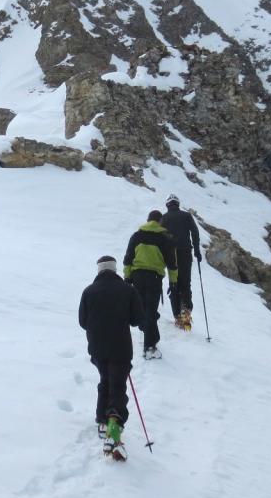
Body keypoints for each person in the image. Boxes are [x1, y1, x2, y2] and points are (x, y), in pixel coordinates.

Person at [79, 255, 145, 458]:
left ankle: (101, 419)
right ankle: (113, 427)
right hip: (121, 346)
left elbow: (82, 321)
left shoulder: (89, 291)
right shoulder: (128, 290)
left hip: (97, 347)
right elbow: (137, 319)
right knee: (118, 386)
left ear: (99, 270)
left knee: (105, 380)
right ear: (115, 270)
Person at [123, 210, 175, 357]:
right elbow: (172, 264)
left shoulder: (137, 236)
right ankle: (149, 347)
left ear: (147, 220)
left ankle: (148, 331)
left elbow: (128, 259)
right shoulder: (165, 238)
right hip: (154, 278)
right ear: (160, 221)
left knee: (143, 308)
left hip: (136, 276)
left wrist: (127, 278)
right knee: (151, 310)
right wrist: (173, 282)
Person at [160, 195, 202, 331]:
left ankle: (177, 316)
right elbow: (195, 232)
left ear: (167, 205)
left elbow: (160, 236)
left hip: (170, 253)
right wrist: (197, 250)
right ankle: (186, 315)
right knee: (185, 283)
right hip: (185, 252)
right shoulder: (186, 216)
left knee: (174, 283)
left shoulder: (164, 218)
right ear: (178, 204)